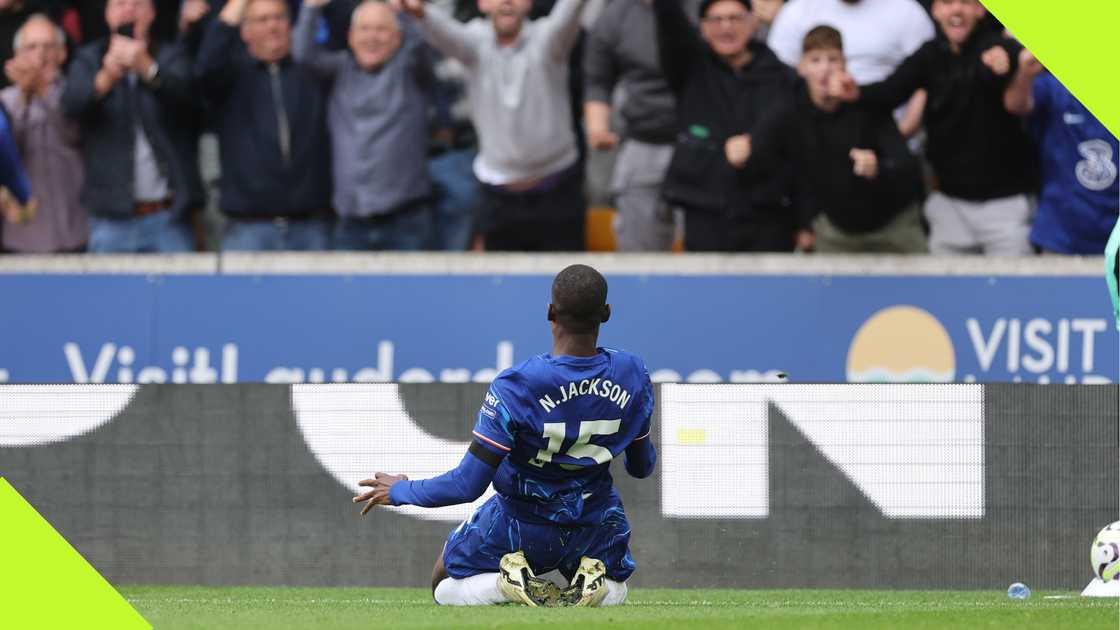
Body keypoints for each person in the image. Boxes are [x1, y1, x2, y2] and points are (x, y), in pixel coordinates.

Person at [353, 264, 656, 608]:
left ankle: (505, 584)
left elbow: (466, 485)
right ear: (606, 313)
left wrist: (400, 490)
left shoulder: (518, 384)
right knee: (617, 585)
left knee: (443, 582)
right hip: (596, 521)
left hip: (521, 522)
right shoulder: (632, 373)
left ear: (550, 312)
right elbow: (641, 467)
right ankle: (593, 581)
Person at [829, 0, 1037, 256]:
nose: (956, 10)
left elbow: (1016, 59)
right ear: (936, 10)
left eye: (965, 2)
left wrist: (1008, 59)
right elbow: (890, 91)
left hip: (1004, 206)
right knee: (944, 282)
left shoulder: (995, 47)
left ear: (980, 9)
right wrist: (856, 93)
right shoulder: (929, 55)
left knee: (1014, 282)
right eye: (947, 2)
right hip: (949, 206)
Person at [393, 0, 588, 251]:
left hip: (558, 192)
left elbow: (568, 14)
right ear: (482, 4)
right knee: (501, 275)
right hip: (498, 199)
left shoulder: (549, 40)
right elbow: (445, 33)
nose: (506, 1)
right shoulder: (474, 44)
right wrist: (420, 11)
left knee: (567, 276)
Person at [756, 25, 924, 253]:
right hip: (834, 229)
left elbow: (906, 167)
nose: (825, 69)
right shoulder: (790, 112)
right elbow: (788, 171)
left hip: (893, 224)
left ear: (845, 64)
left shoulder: (866, 103)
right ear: (801, 67)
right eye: (815, 60)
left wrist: (878, 168)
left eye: (833, 59)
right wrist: (802, 223)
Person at [653, 0, 801, 252]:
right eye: (716, 20)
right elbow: (670, 23)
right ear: (702, 27)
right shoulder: (690, 67)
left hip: (769, 212)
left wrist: (804, 220)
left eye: (735, 18)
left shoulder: (783, 77)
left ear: (754, 22)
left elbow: (798, 147)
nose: (726, 27)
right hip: (706, 210)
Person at [61, 0, 201, 253]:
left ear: (152, 13)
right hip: (110, 219)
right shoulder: (89, 58)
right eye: (120, 4)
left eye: (137, 4)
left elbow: (191, 103)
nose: (128, 10)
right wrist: (105, 78)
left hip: (168, 216)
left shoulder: (171, 56)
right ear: (107, 14)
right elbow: (71, 107)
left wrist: (149, 69)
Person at [293, 0, 433, 251]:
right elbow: (303, 55)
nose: (372, 37)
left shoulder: (411, 71)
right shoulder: (339, 70)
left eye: (381, 29)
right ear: (350, 36)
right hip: (351, 222)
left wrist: (405, 11)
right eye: (364, 29)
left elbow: (420, 45)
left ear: (397, 38)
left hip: (405, 220)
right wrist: (312, 7)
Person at [195, 0, 332, 251]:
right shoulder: (230, 77)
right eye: (262, 20)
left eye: (279, 18)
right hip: (249, 228)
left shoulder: (311, 71)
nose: (272, 26)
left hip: (311, 226)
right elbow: (207, 65)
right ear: (245, 30)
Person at [583, 0, 678, 251]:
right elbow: (598, 80)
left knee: (708, 250)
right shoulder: (614, 16)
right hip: (641, 140)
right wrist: (597, 128)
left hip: (701, 141)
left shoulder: (705, 9)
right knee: (638, 251)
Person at [1003, 49, 1118, 255]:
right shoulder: (1055, 85)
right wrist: (1025, 73)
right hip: (1061, 231)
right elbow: (1016, 104)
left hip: (1114, 231)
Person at [1, 13, 88, 252]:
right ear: (17, 55)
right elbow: (8, 156)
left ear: (62, 53)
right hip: (23, 236)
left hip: (77, 230)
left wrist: (42, 90)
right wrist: (24, 97)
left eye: (48, 46)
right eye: (31, 47)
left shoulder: (78, 93)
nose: (40, 55)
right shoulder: (5, 101)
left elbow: (75, 134)